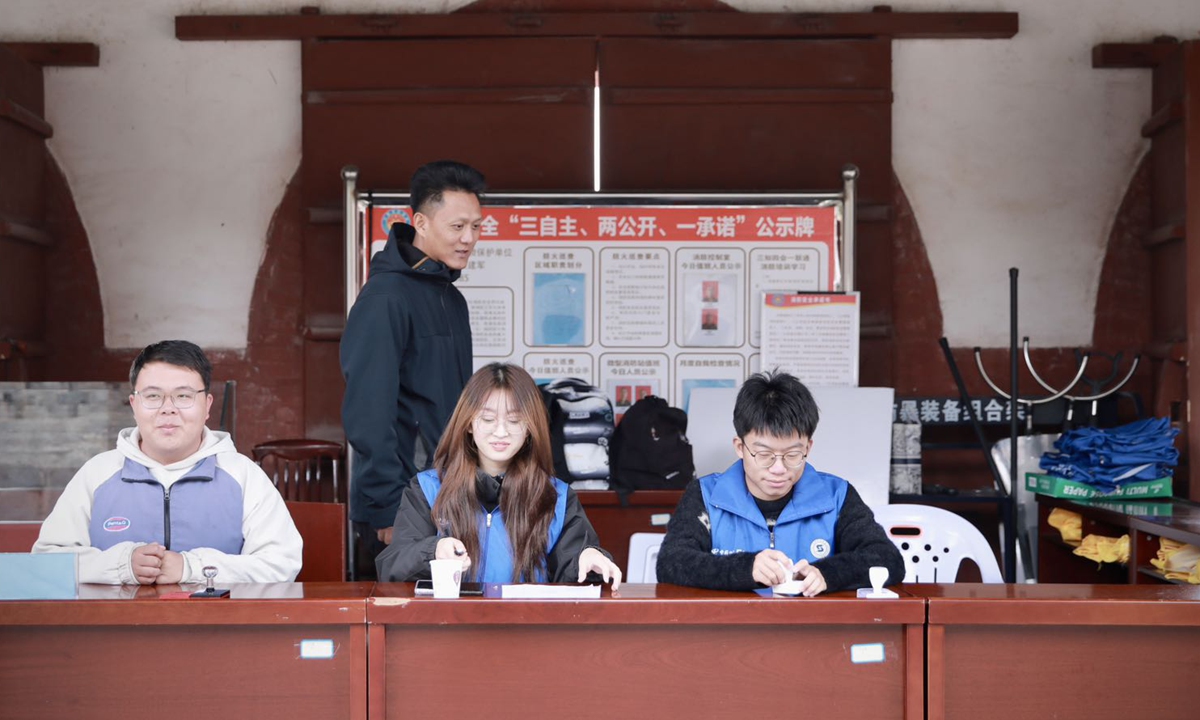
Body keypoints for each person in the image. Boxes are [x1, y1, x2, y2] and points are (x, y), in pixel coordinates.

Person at [33, 340, 302, 585]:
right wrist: (120, 566)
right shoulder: (97, 473)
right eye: (153, 396)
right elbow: (46, 561)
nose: (168, 408)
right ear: (134, 405)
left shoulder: (243, 475)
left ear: (207, 405)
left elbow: (282, 564)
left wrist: (191, 567)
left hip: (219, 632)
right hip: (115, 633)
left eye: (183, 396)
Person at [340, 161, 487, 575]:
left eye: (476, 227)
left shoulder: (449, 296)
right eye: (458, 226)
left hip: (449, 492)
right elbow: (368, 411)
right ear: (420, 222)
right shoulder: (386, 298)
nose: (469, 238)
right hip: (403, 502)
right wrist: (388, 504)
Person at [656, 370, 903, 596]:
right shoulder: (706, 496)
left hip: (815, 634)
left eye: (792, 455)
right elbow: (671, 563)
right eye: (764, 455)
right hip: (729, 633)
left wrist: (829, 573)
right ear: (740, 448)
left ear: (808, 447)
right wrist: (745, 569)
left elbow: (886, 558)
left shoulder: (836, 496)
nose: (778, 469)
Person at [376, 363, 622, 589]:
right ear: (469, 423)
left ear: (529, 428)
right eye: (488, 419)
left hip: (528, 631)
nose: (501, 432)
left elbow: (573, 562)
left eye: (514, 420)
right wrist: (434, 550)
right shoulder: (428, 489)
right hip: (450, 630)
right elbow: (392, 566)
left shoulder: (555, 496)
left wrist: (588, 556)